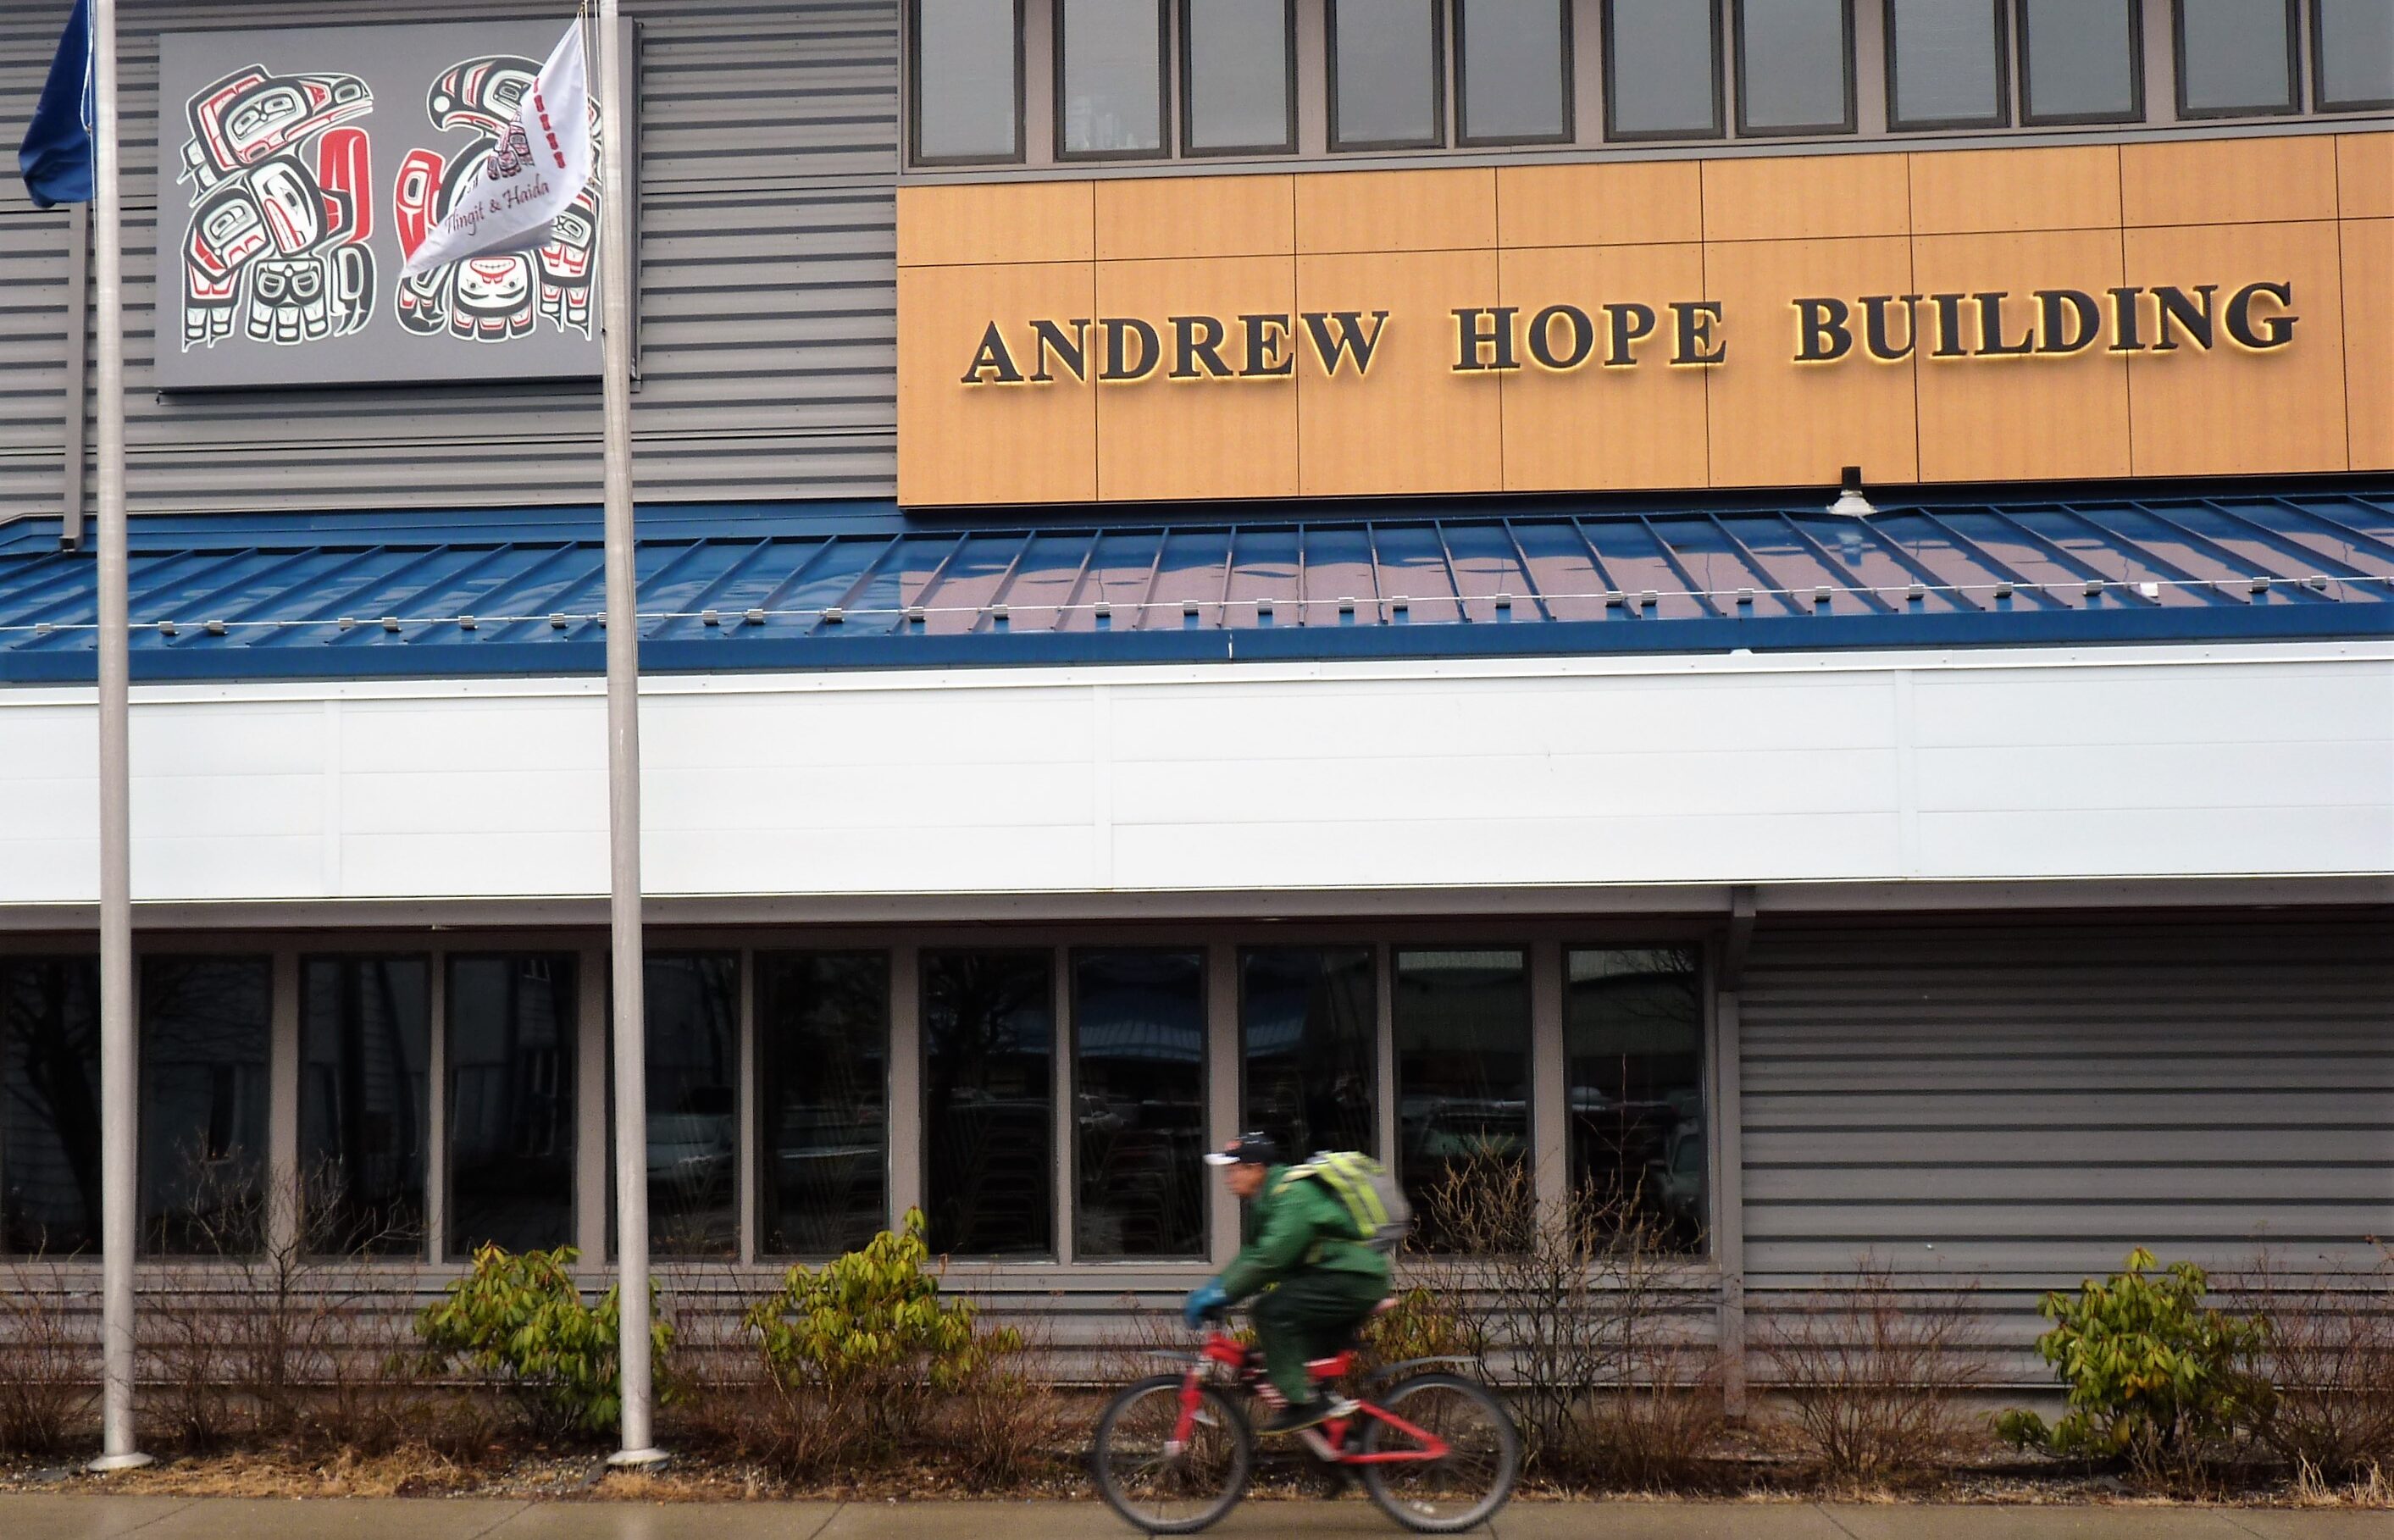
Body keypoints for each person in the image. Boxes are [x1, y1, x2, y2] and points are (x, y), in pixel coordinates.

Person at [1183, 1133, 1392, 1433]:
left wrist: (1221, 1292)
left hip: (1351, 1278)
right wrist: (1218, 1288)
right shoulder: (1269, 1200)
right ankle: (1336, 1438)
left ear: (1256, 1169)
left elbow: (1269, 1258)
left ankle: (1303, 1404)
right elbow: (1252, 1255)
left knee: (1270, 1312)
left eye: (1234, 1169)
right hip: (1334, 1278)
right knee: (1281, 1357)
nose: (1228, 1178)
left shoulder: (1293, 1196)